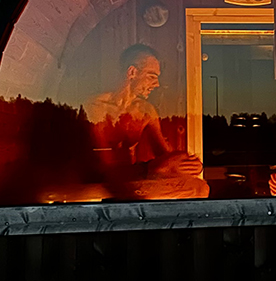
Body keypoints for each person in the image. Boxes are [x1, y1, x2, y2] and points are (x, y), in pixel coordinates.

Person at [85, 44, 207, 199]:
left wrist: (186, 163)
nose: (157, 84)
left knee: (199, 187)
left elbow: (164, 155)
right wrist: (150, 169)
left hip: (133, 180)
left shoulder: (145, 111)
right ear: (132, 72)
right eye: (152, 77)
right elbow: (103, 166)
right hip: (101, 182)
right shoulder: (94, 107)